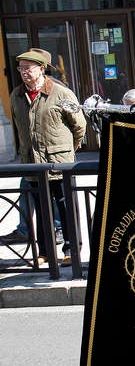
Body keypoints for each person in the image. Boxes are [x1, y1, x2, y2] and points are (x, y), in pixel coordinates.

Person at [9, 48, 86, 267]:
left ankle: (72, 250)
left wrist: (67, 151)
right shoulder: (16, 95)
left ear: (41, 69)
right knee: (42, 210)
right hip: (32, 163)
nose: (24, 72)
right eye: (21, 68)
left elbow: (79, 125)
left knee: (66, 208)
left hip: (60, 162)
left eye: (28, 68)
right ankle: (45, 251)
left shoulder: (61, 94)